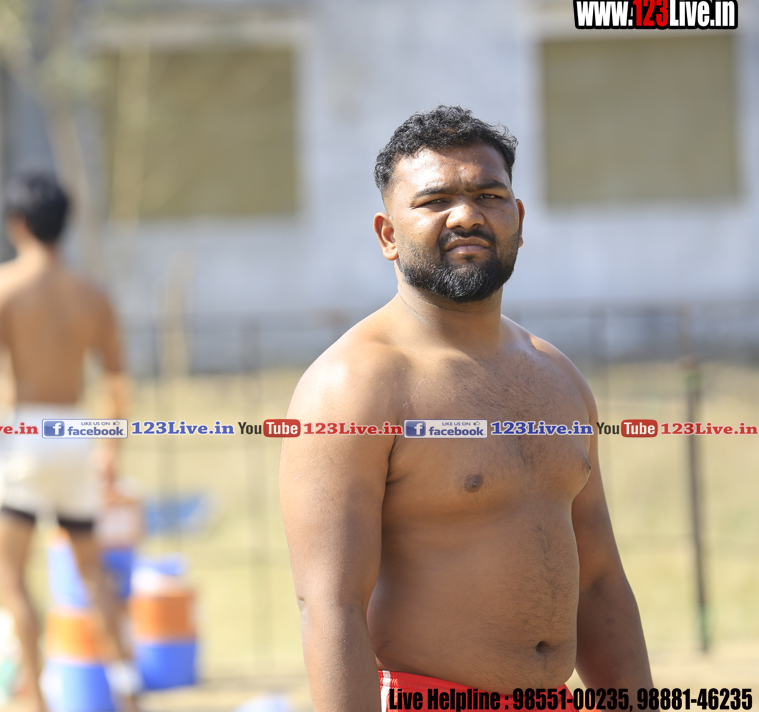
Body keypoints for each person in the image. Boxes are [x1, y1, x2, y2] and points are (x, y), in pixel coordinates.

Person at [278, 106, 653, 712]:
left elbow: (601, 581)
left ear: (519, 220)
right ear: (388, 235)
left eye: (488, 195)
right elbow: (329, 605)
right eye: (434, 201)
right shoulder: (353, 386)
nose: (467, 216)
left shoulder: (558, 376)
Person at [0, 172, 138, 712]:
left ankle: (37, 702)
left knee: (11, 580)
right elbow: (116, 381)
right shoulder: (93, 295)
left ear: (17, 223)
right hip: (75, 434)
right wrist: (110, 449)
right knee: (93, 575)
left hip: (22, 436)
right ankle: (128, 693)